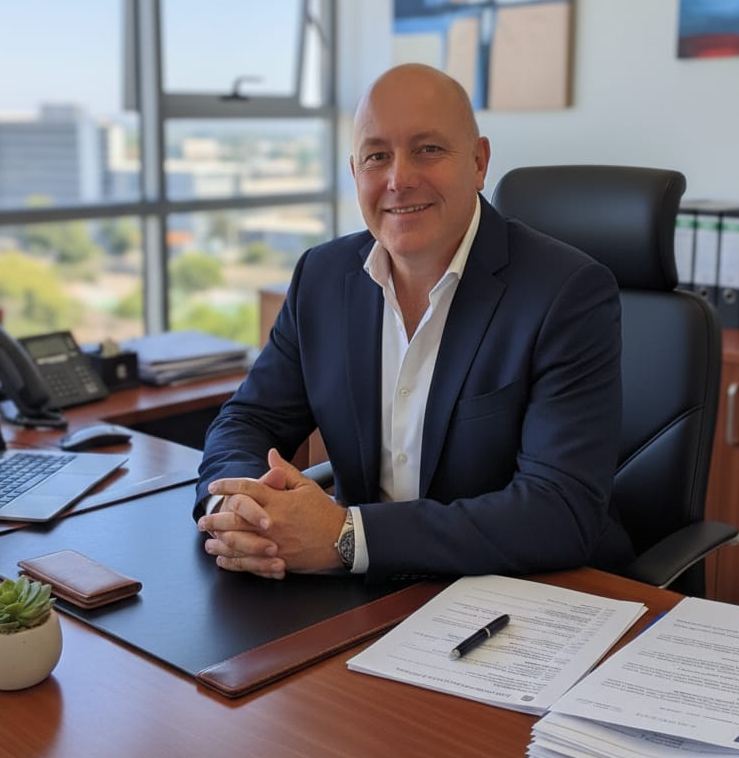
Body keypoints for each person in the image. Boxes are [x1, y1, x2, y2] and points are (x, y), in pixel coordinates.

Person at [194, 63, 634, 581]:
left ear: (478, 162)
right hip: (363, 597)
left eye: (428, 149)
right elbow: (248, 421)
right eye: (377, 156)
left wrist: (345, 536)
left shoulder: (567, 293)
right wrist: (241, 508)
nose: (399, 180)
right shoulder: (323, 277)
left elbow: (558, 511)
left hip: (521, 596)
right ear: (355, 172)